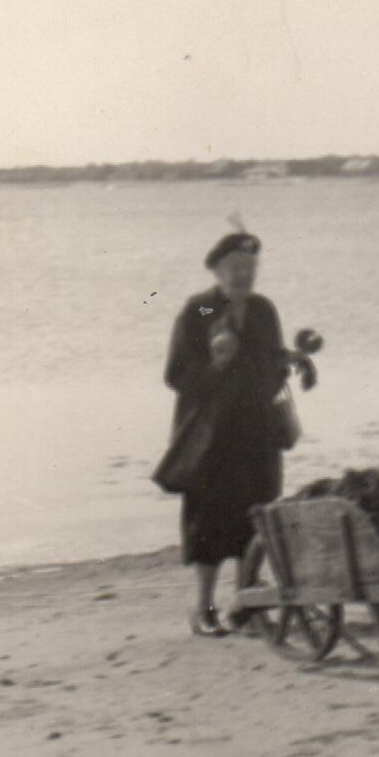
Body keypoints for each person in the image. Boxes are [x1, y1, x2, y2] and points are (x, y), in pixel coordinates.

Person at [157, 231, 290, 637]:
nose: (243, 275)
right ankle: (204, 608)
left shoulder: (263, 310)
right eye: (234, 267)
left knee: (256, 515)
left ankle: (245, 604)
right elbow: (176, 374)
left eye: (250, 267)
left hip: (257, 434)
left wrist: (280, 369)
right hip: (211, 438)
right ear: (216, 270)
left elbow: (275, 365)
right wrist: (216, 363)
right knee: (209, 523)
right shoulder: (199, 308)